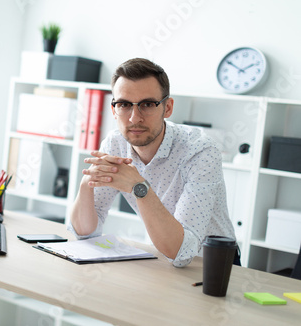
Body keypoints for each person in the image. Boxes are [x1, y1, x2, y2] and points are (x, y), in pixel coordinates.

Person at [68, 58, 237, 267]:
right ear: (113, 110)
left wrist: (139, 187)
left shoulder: (200, 151)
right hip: (162, 257)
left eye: (147, 104)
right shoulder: (115, 143)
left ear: (167, 108)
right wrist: (87, 183)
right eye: (124, 105)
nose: (134, 118)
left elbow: (182, 253)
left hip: (212, 265)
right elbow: (85, 233)